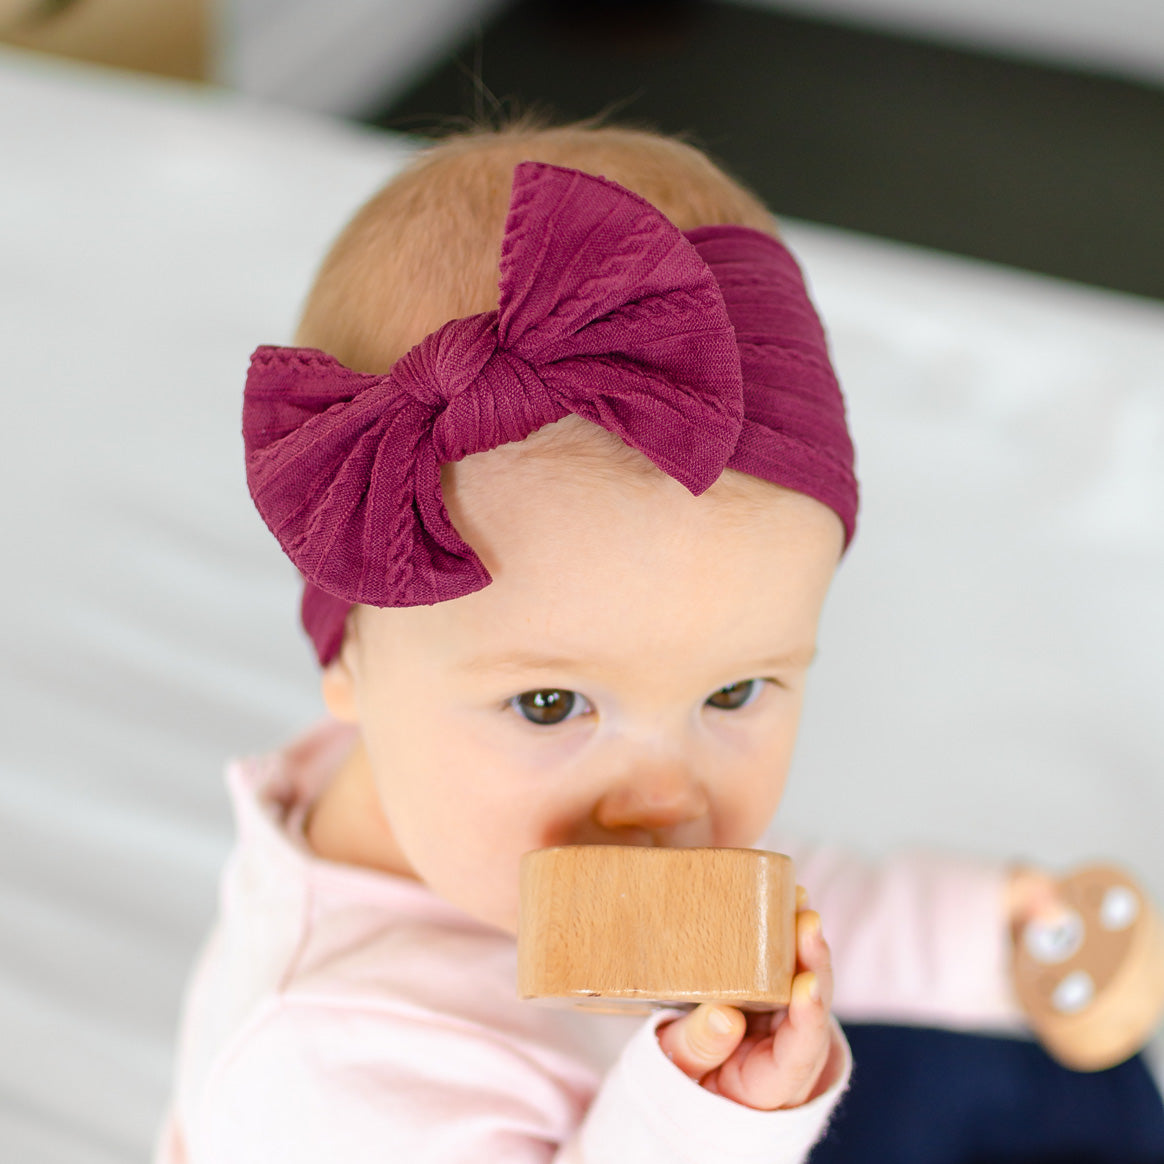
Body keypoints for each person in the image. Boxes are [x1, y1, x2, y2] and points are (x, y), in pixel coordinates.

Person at [155, 122, 1164, 1163]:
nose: (664, 800)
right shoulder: (337, 1065)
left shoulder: (454, 791)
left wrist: (985, 933)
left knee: (1049, 1075)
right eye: (550, 705)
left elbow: (779, 910)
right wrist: (704, 1118)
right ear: (348, 659)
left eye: (733, 695)